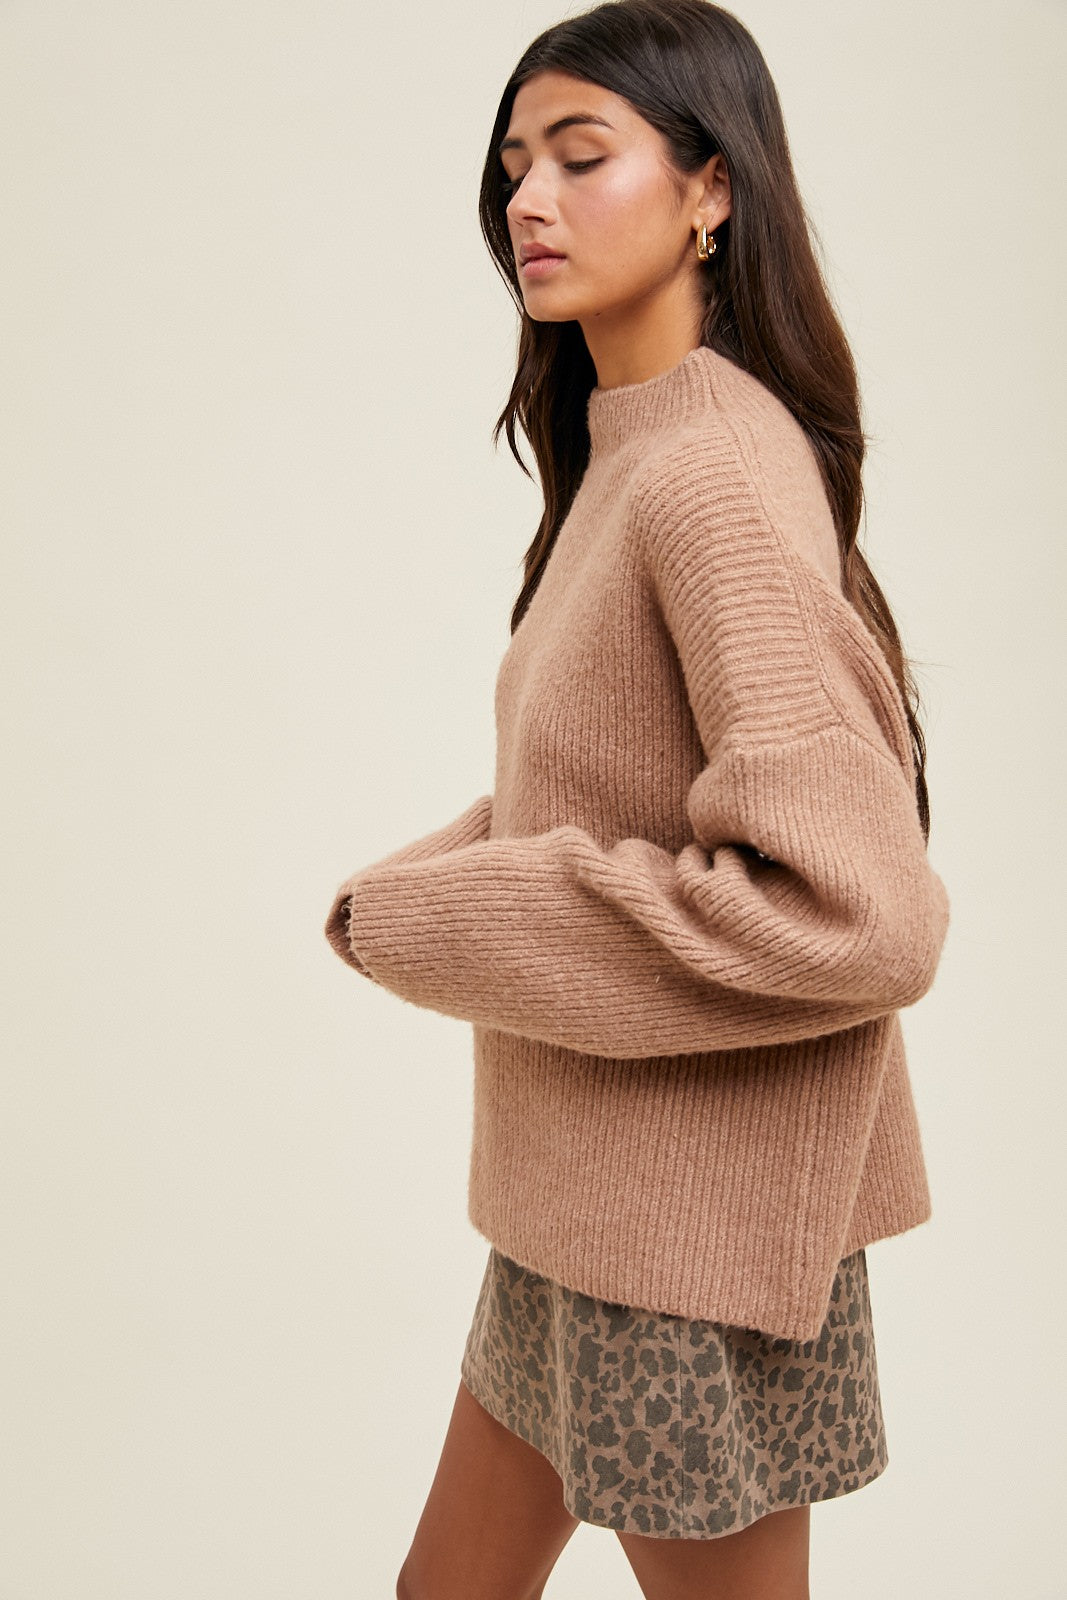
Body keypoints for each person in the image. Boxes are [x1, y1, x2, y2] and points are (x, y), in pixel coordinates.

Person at [323, 1, 951, 1595]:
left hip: (682, 1247)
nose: (526, 199)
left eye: (580, 156)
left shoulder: (709, 476)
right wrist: (420, 896)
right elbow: (601, 797)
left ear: (711, 188)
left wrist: (453, 921)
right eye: (513, 164)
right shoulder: (633, 447)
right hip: (583, 1203)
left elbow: (860, 911)